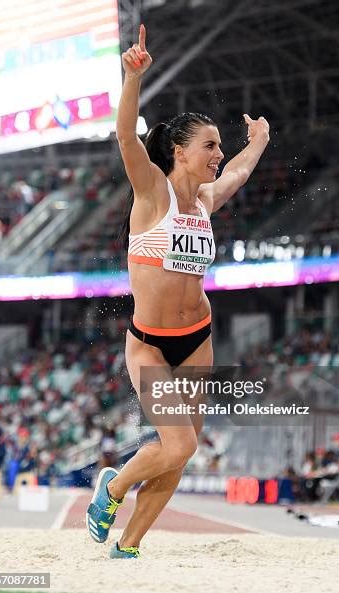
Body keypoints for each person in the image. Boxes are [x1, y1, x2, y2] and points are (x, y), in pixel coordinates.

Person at [86, 23, 270, 558]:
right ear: (179, 151)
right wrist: (131, 78)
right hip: (149, 341)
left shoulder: (205, 202)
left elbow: (237, 173)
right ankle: (113, 486)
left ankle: (129, 546)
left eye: (220, 144)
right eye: (209, 145)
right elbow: (125, 137)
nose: (219, 152)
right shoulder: (151, 192)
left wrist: (256, 143)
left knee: (179, 454)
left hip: (197, 336)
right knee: (180, 441)